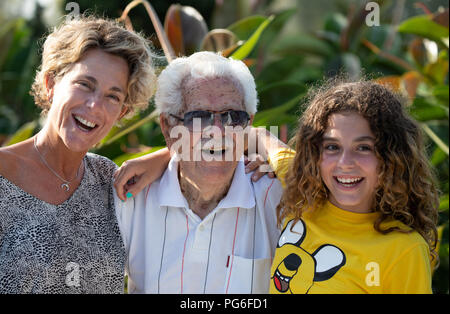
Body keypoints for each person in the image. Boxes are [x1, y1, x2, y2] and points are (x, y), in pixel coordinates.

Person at [0, 16, 168, 293]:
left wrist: (163, 157)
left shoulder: (109, 181)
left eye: (112, 97)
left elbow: (218, 153)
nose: (94, 105)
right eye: (84, 85)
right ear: (51, 83)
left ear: (121, 113)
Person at [114, 51, 289, 293]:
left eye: (232, 117)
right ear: (168, 127)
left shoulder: (277, 198)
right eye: (199, 117)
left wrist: (265, 139)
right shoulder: (131, 197)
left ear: (248, 124)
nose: (217, 131)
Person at [269, 80, 439, 294]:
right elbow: (264, 140)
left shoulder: (404, 250)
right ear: (314, 155)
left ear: (392, 158)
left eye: (363, 148)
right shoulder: (300, 192)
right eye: (332, 146)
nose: (345, 162)